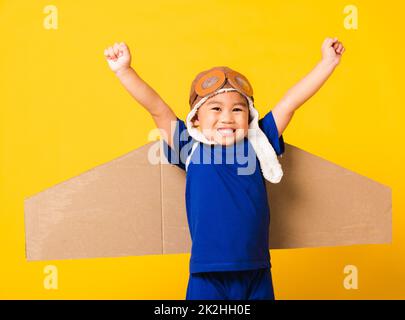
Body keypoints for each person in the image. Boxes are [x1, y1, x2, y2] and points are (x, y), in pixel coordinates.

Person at [104, 38, 345, 300]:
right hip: (208, 273)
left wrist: (327, 63)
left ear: (249, 116)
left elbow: (291, 102)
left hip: (257, 268)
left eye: (237, 109)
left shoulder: (259, 141)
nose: (227, 117)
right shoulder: (190, 146)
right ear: (196, 118)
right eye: (216, 109)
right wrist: (124, 71)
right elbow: (157, 109)